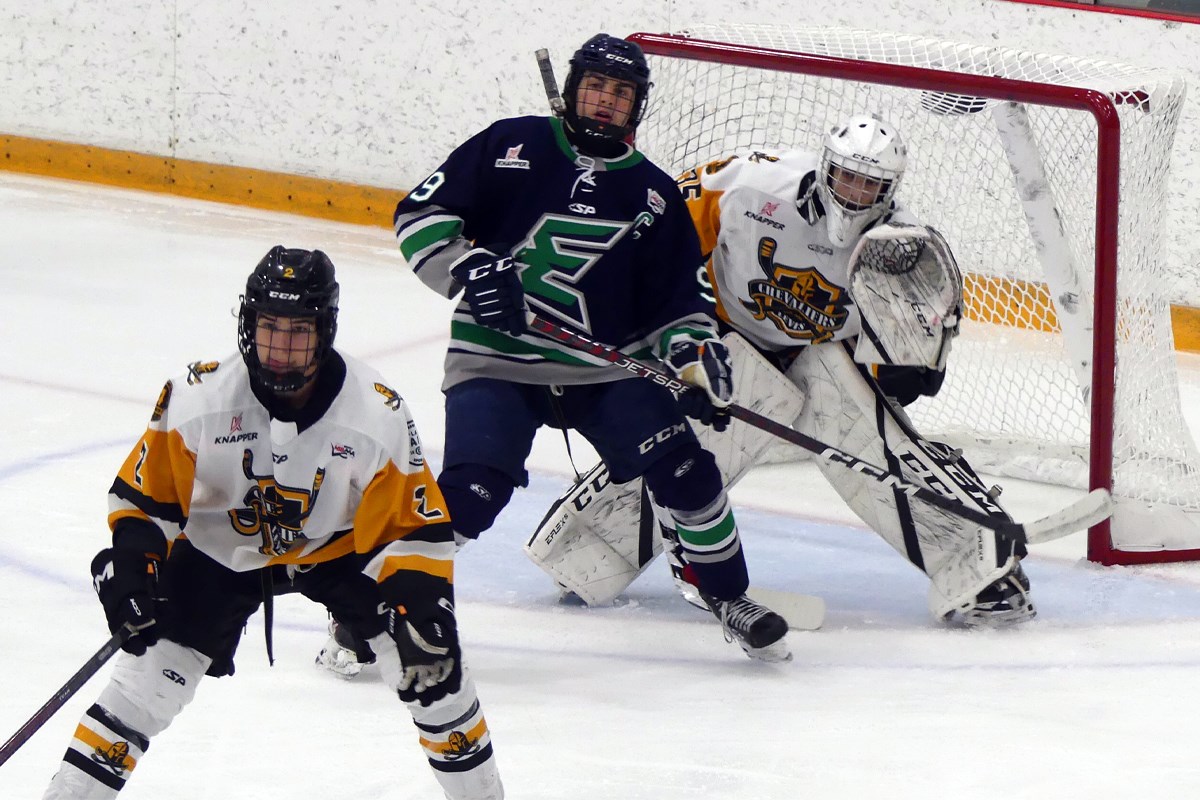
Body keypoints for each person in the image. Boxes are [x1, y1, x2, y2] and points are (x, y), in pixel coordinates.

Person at [525, 114, 1037, 629]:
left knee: (872, 438)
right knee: (688, 444)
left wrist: (906, 367)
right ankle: (583, 551)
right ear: (825, 168)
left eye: (871, 184)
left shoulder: (897, 250)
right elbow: (660, 230)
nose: (855, 193)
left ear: (890, 189)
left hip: (815, 353)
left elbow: (902, 359)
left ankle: (980, 567)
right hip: (721, 334)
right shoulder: (750, 184)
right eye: (848, 177)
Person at [380, 32, 790, 664]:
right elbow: (420, 215)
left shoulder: (654, 194)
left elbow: (677, 307)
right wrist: (473, 270)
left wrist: (694, 362)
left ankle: (728, 596)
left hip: (603, 371)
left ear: (638, 107)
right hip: (497, 359)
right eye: (595, 87)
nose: (605, 101)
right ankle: (380, 609)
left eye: (620, 92)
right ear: (572, 91)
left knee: (688, 473)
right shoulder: (509, 145)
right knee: (470, 493)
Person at [42, 247, 503, 800]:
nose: (281, 348)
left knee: (437, 676)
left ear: (325, 330)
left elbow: (411, 526)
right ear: (247, 325)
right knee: (142, 686)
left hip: (340, 550)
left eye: (298, 330)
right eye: (269, 327)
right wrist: (134, 567)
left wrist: (425, 607)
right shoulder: (199, 397)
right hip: (221, 551)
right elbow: (147, 502)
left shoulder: (375, 411)